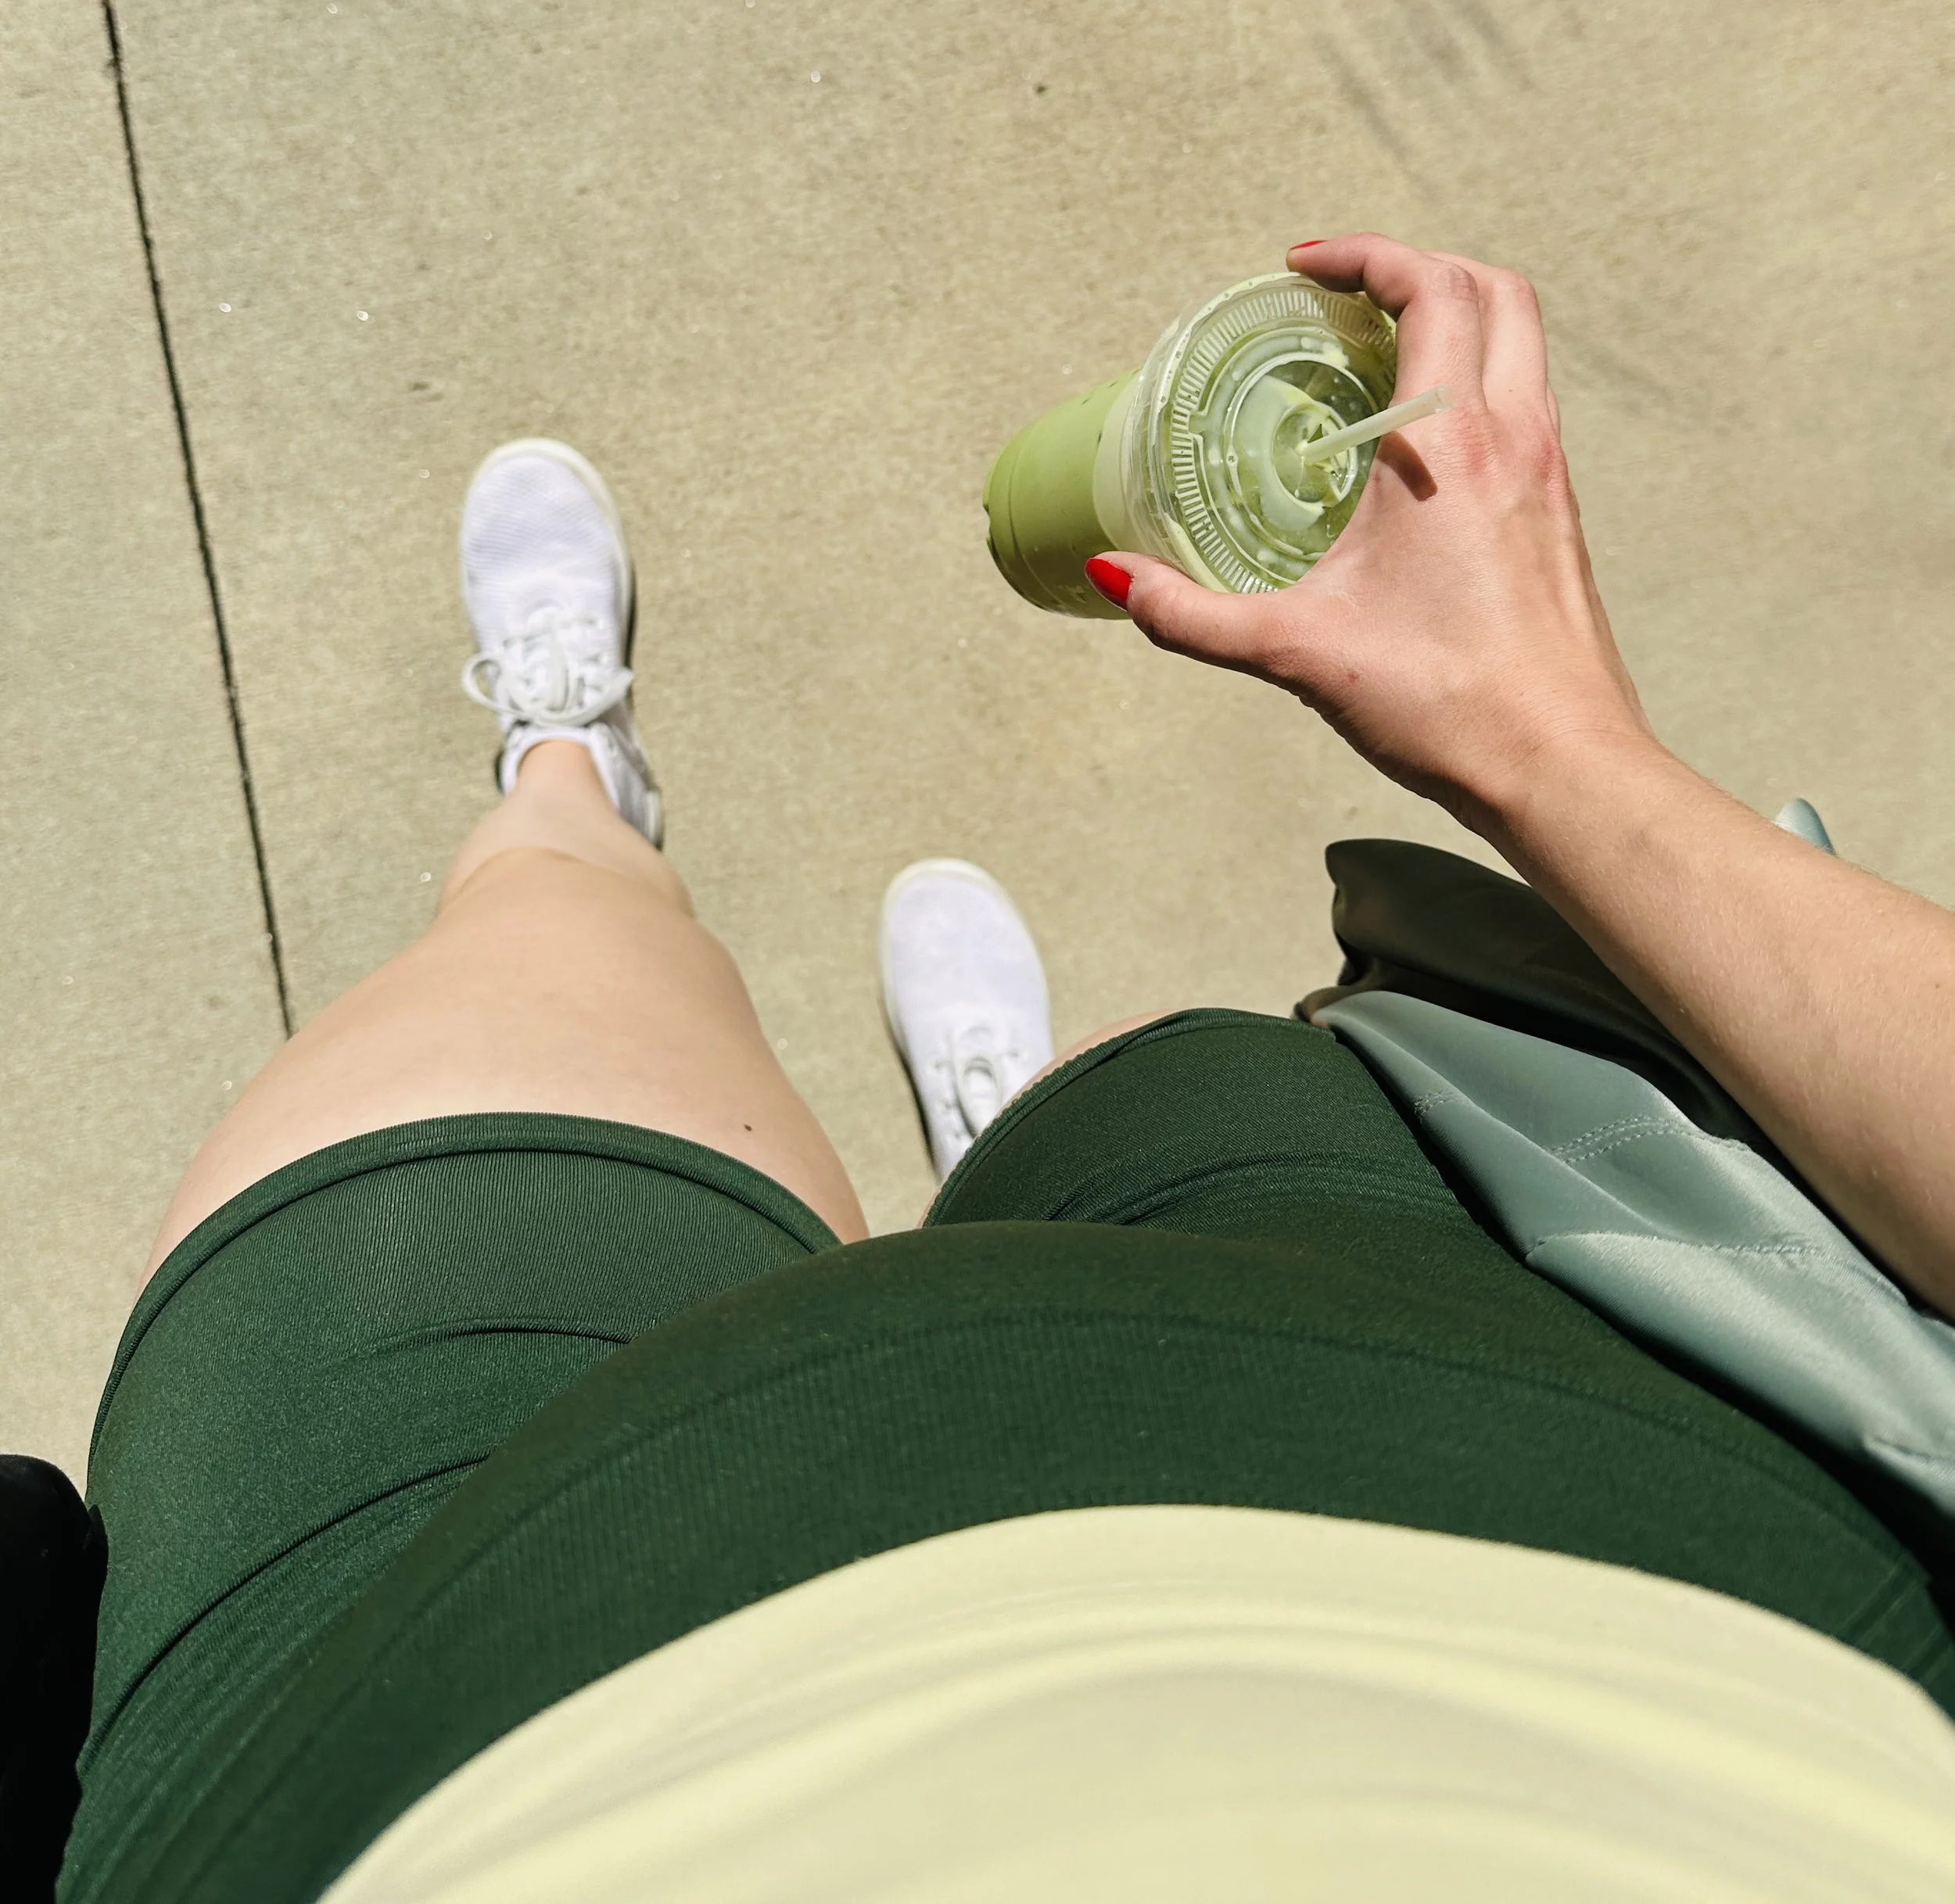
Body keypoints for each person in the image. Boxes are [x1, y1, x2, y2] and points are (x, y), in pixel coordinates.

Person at [47, 235, 1955, 1904]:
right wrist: (1547, 741)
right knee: (1156, 1093)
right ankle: (1007, 1175)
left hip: (407, 1755)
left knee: (536, 954)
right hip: (1569, 1522)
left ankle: (570, 793)